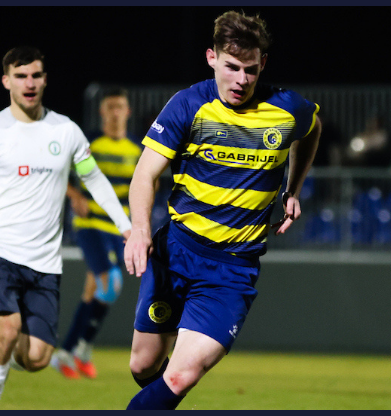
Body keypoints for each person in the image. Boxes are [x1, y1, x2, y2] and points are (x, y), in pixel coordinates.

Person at [122, 10, 321, 410]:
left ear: (263, 63)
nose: (242, 79)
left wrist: (293, 188)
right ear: (211, 58)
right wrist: (140, 229)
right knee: (144, 366)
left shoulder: (287, 108)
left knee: (180, 377)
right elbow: (144, 175)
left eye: (251, 69)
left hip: (231, 271)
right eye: (232, 67)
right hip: (175, 253)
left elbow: (313, 128)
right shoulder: (188, 105)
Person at [0, 46, 131, 410]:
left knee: (37, 358)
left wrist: (126, 226)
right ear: (6, 81)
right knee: (7, 329)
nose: (29, 83)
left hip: (44, 262)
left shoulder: (66, 131)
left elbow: (93, 179)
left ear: (45, 80)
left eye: (35, 75)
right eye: (20, 76)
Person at [50, 88, 143, 379]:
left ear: (127, 112)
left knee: (96, 290)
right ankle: (83, 348)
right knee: (111, 282)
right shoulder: (89, 142)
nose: (115, 112)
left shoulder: (136, 149)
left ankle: (67, 352)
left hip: (117, 228)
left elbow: (142, 188)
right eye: (110, 107)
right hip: (89, 224)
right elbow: (56, 171)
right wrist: (74, 195)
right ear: (102, 112)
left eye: (120, 107)